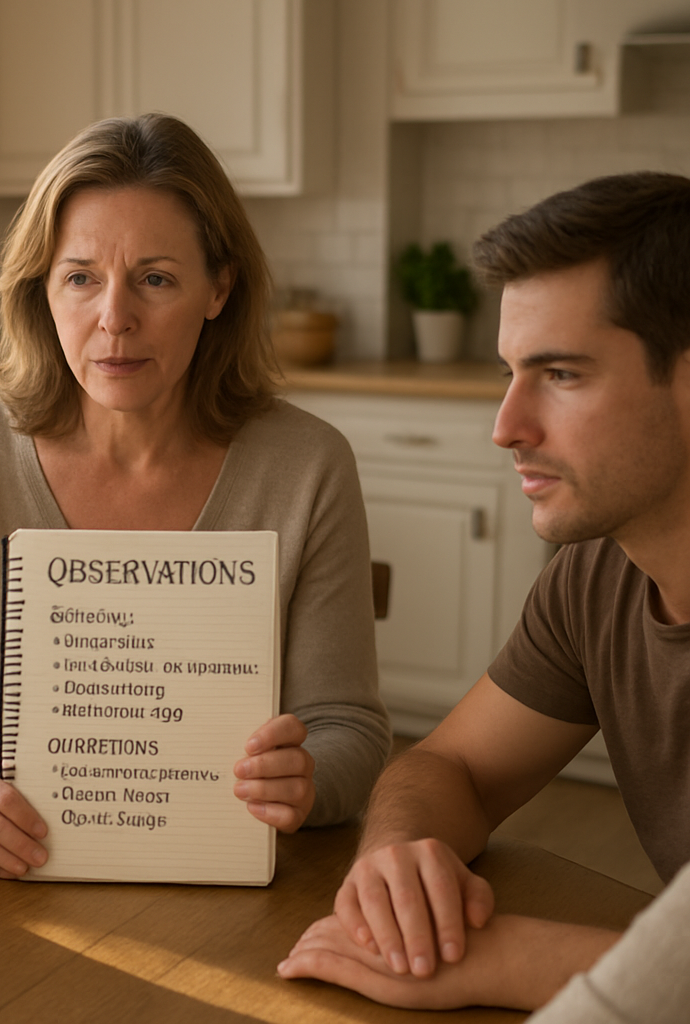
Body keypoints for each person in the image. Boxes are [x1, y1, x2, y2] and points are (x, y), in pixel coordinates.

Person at [0, 113, 390, 879]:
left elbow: (349, 729)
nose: (114, 319)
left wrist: (307, 780)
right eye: (81, 278)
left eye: (155, 279)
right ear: (42, 289)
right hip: (11, 883)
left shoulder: (308, 467)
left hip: (237, 885)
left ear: (219, 288)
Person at [277, 170, 690, 1016]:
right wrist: (397, 860)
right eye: (509, 372)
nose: (505, 427)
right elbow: (452, 765)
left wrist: (516, 959)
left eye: (561, 374)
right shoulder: (596, 574)